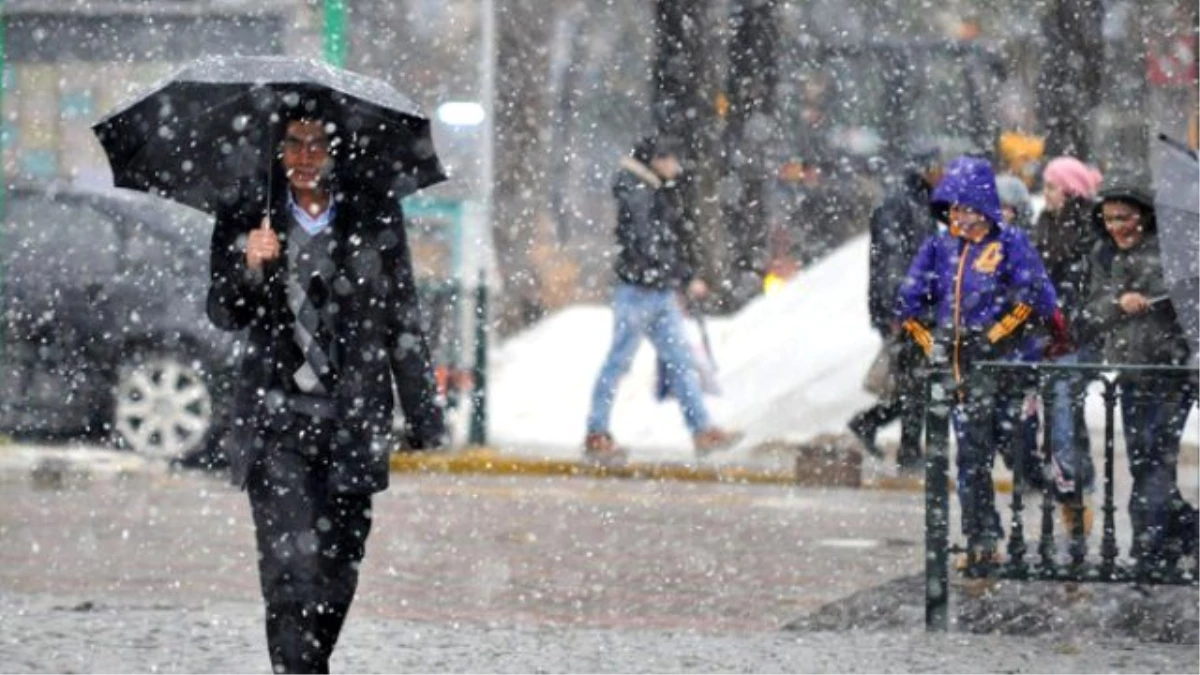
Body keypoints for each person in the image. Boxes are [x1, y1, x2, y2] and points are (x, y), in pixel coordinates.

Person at [207, 99, 445, 673]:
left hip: (352, 419)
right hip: (276, 420)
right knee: (292, 570)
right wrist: (249, 264)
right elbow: (223, 311)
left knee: (338, 571)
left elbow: (402, 316)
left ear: (336, 151)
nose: (305, 157)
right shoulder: (249, 211)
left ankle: (309, 662)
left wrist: (422, 413)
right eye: (292, 144)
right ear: (276, 151)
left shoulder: (373, 214)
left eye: (317, 144)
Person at [897, 155, 1066, 570]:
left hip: (1007, 371)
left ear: (985, 207)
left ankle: (1063, 497)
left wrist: (992, 338)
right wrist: (932, 341)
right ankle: (981, 539)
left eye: (967, 208)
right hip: (962, 377)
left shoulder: (1010, 244)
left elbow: (1034, 299)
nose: (960, 217)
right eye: (953, 209)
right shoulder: (939, 247)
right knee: (971, 461)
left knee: (1020, 453)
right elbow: (909, 303)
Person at [584, 135, 740, 463]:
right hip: (641, 291)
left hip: (655, 289)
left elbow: (658, 241)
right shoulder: (640, 193)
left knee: (678, 362)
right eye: (672, 160)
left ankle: (701, 429)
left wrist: (677, 276)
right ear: (656, 159)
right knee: (623, 362)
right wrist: (682, 276)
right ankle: (597, 432)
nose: (677, 167)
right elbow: (651, 242)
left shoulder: (647, 190)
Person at [1085, 185, 1196, 578]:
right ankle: (1186, 532)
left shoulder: (1171, 250)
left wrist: (1158, 302)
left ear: (1144, 216)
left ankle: (1148, 549)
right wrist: (1119, 303)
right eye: (1109, 218)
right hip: (1130, 375)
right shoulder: (1105, 256)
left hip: (1170, 374)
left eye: (1124, 217)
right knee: (1141, 460)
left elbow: (1189, 305)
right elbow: (1094, 310)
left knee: (1155, 457)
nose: (1116, 227)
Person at [847, 147, 944, 472]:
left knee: (916, 379)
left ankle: (871, 425)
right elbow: (891, 261)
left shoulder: (922, 202)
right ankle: (907, 450)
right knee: (917, 379)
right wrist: (897, 309)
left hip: (917, 306)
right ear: (927, 168)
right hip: (904, 308)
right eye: (940, 168)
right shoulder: (902, 203)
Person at [1031, 156, 1105, 535]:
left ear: (1071, 190)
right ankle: (1079, 495)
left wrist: (1070, 318)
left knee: (1061, 413)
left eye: (1051, 186)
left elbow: (1094, 289)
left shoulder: (1091, 233)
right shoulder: (1042, 226)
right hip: (1048, 340)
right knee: (1067, 417)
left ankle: (1072, 492)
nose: (1045, 195)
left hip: (1078, 339)